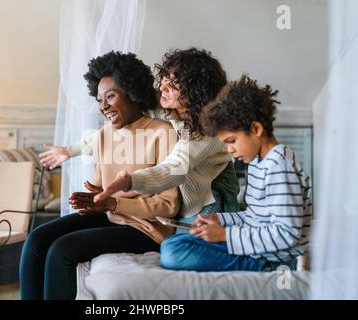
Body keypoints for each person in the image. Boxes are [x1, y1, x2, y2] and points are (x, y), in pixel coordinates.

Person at [19, 51, 180, 300]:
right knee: (37, 239)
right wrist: (89, 199)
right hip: (112, 216)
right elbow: (99, 188)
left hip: (146, 228)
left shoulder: (162, 132)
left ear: (133, 93)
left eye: (110, 96)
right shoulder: (105, 135)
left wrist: (114, 202)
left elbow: (169, 205)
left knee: (62, 250)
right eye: (99, 99)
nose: (103, 106)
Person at [40, 47, 240, 232]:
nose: (162, 87)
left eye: (173, 86)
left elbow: (174, 168)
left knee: (184, 247)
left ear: (197, 92)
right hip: (182, 192)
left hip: (209, 195)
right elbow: (109, 135)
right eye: (163, 79)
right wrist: (70, 151)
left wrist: (129, 181)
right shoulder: (161, 106)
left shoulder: (208, 130)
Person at [160, 75, 312, 272]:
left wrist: (225, 236)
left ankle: (266, 267)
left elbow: (286, 235)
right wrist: (220, 220)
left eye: (232, 141)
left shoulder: (279, 165)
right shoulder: (259, 161)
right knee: (174, 243)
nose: (230, 150)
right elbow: (255, 217)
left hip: (271, 255)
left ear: (256, 129)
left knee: (174, 252)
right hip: (254, 244)